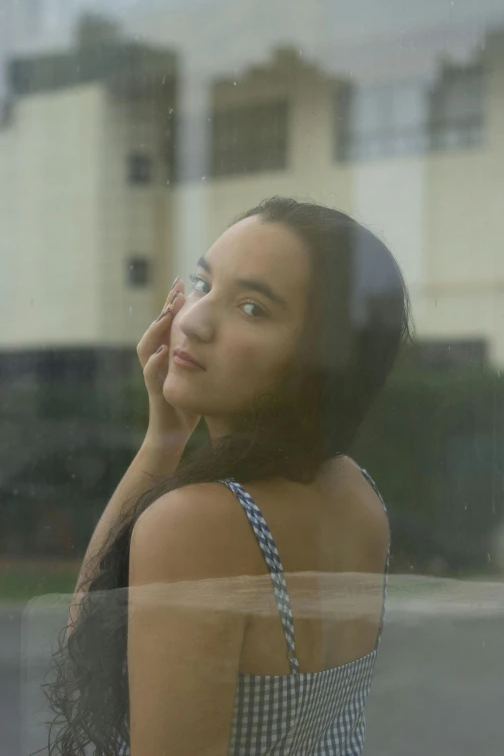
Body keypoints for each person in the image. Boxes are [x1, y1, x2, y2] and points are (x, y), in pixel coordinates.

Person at [42, 196, 413, 755]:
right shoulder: (355, 489)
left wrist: (162, 446)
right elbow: (96, 631)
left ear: (319, 362)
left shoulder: (201, 524)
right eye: (201, 283)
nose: (190, 320)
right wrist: (164, 438)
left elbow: (82, 649)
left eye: (252, 308)